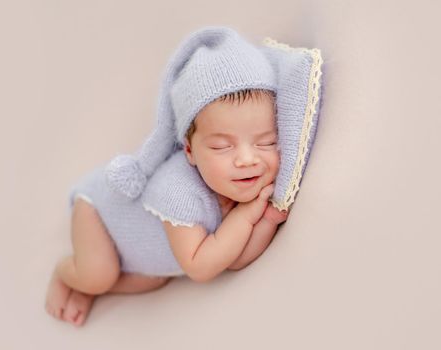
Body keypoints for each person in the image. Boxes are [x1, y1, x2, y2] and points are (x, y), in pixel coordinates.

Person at [45, 26, 299, 327]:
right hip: (98, 210)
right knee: (97, 274)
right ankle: (66, 274)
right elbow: (201, 266)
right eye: (221, 146)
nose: (247, 159)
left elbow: (233, 259)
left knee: (152, 281)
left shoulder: (235, 185)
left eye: (266, 142)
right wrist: (245, 218)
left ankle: (91, 287)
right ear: (189, 151)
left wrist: (267, 221)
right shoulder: (177, 190)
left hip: (146, 261)